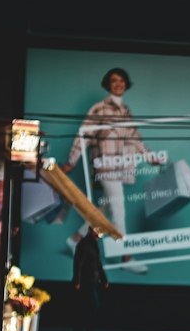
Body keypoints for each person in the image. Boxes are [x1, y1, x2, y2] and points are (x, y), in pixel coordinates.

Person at [64, 67, 150, 274]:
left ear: (126, 84)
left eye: (121, 80)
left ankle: (75, 239)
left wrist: (149, 156)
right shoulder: (99, 108)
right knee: (119, 209)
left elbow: (134, 138)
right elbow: (84, 134)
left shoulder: (125, 111)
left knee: (106, 209)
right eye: (114, 81)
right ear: (108, 84)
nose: (118, 84)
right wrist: (72, 161)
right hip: (105, 166)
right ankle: (125, 257)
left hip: (122, 167)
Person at [72, 226, 108, 331]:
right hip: (84, 281)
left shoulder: (94, 244)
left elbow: (98, 263)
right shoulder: (84, 244)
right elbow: (78, 263)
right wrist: (77, 281)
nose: (99, 233)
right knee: (89, 305)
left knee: (88, 306)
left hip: (93, 280)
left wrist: (104, 279)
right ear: (90, 230)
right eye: (97, 230)